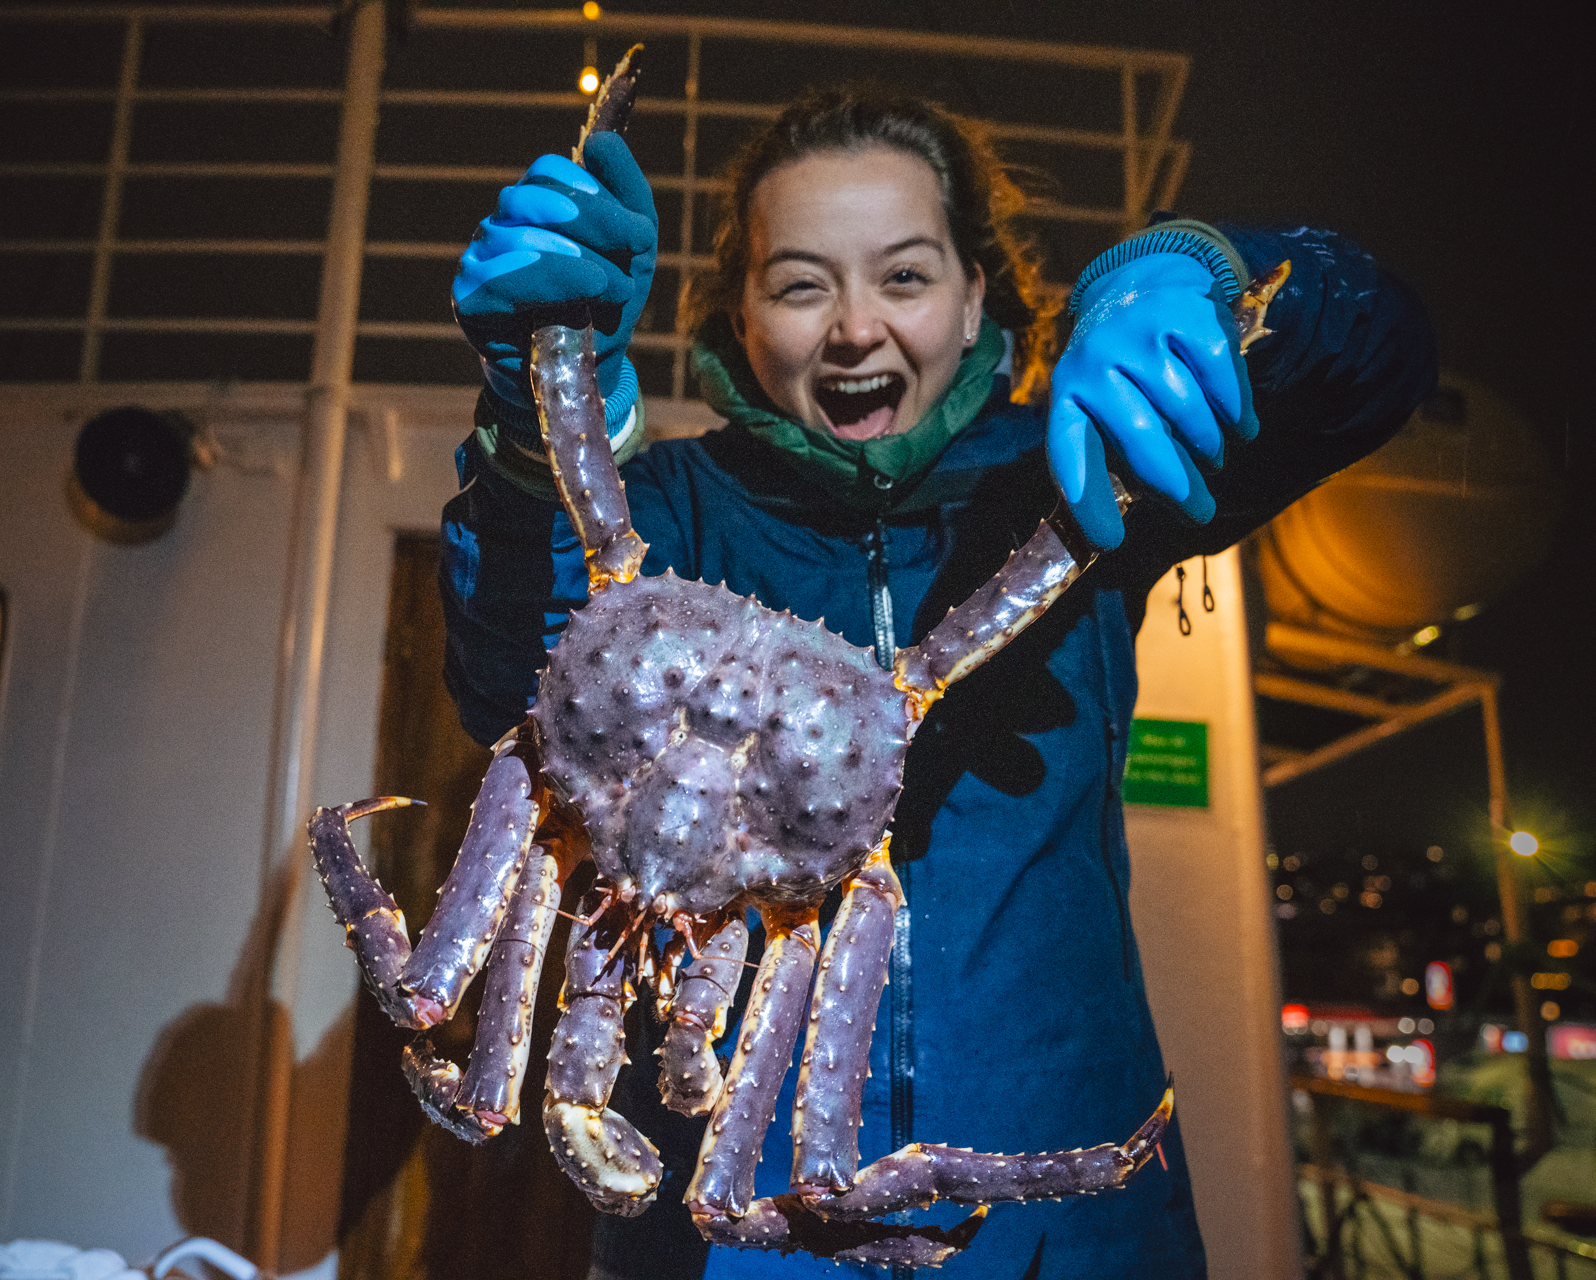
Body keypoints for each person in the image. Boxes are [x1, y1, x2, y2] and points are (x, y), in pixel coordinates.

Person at [441, 86, 1434, 1278]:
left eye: (904, 276)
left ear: (976, 297)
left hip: (1073, 1221)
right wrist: (529, 426)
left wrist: (1204, 268)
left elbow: (1380, 363)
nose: (855, 327)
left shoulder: (1082, 479)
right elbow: (509, 682)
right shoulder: (662, 518)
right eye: (801, 283)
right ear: (740, 315)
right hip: (734, 1233)